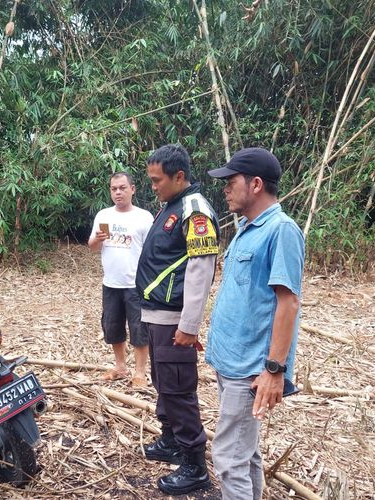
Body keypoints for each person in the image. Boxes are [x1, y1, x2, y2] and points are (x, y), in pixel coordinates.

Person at [205, 147, 305, 499]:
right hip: (231, 361)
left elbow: (288, 302)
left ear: (256, 184)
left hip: (251, 370)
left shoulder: (282, 231)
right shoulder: (249, 229)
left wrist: (274, 370)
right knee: (245, 456)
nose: (225, 189)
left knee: (229, 459)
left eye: (231, 182)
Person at [135, 144, 219, 495]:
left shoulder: (195, 210)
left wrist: (189, 324)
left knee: (179, 389)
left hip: (174, 320)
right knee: (163, 382)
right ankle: (170, 440)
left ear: (179, 176)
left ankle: (194, 464)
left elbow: (201, 270)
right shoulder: (171, 205)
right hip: (157, 314)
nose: (152, 186)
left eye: (157, 180)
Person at [88, 172, 154, 388]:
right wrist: (96, 239)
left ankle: (140, 372)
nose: (118, 192)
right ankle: (120, 366)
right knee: (112, 326)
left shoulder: (144, 217)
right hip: (111, 283)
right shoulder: (104, 215)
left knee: (139, 329)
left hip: (136, 284)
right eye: (114, 188)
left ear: (132, 189)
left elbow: (152, 252)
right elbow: (92, 246)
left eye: (122, 188)